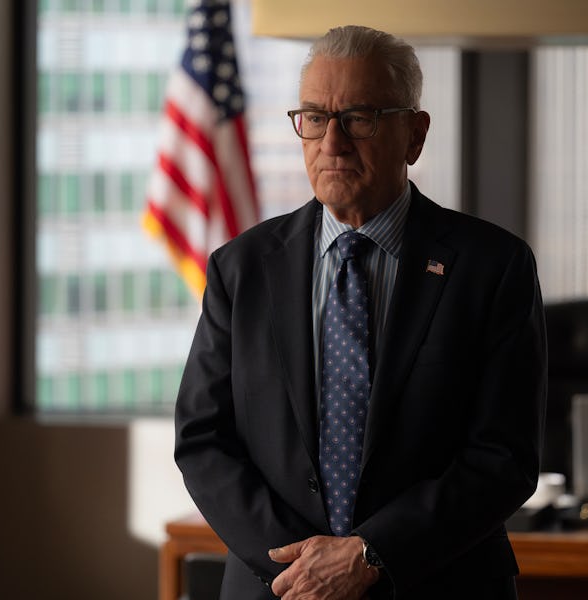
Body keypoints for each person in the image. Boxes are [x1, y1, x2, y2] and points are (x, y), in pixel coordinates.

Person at [175, 24, 547, 600]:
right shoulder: (240, 269)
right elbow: (202, 438)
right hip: (279, 587)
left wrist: (371, 554)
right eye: (316, 118)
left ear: (415, 135)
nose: (334, 142)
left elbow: (505, 458)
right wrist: (305, 569)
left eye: (360, 117)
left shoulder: (492, 268)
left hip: (438, 584)